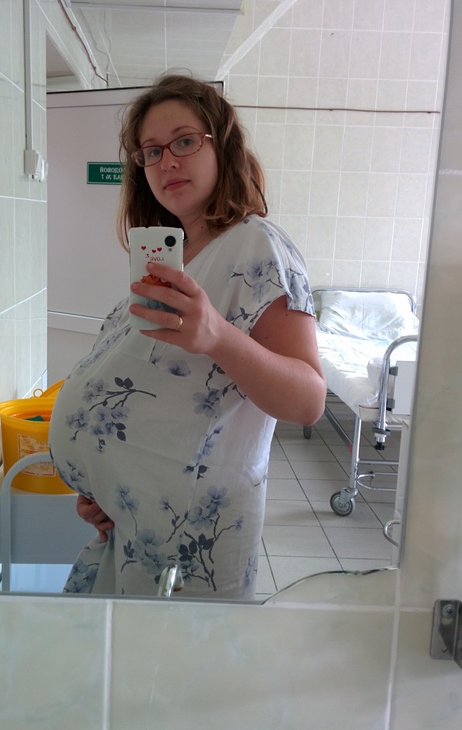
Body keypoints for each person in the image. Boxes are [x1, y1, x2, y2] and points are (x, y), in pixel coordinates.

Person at [48, 74, 326, 600]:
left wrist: (217, 335)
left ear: (222, 146)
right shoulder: (173, 253)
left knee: (172, 655)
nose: (166, 162)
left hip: (192, 545)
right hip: (133, 525)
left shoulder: (256, 245)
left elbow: (309, 400)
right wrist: (105, 484)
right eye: (151, 151)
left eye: (184, 142)